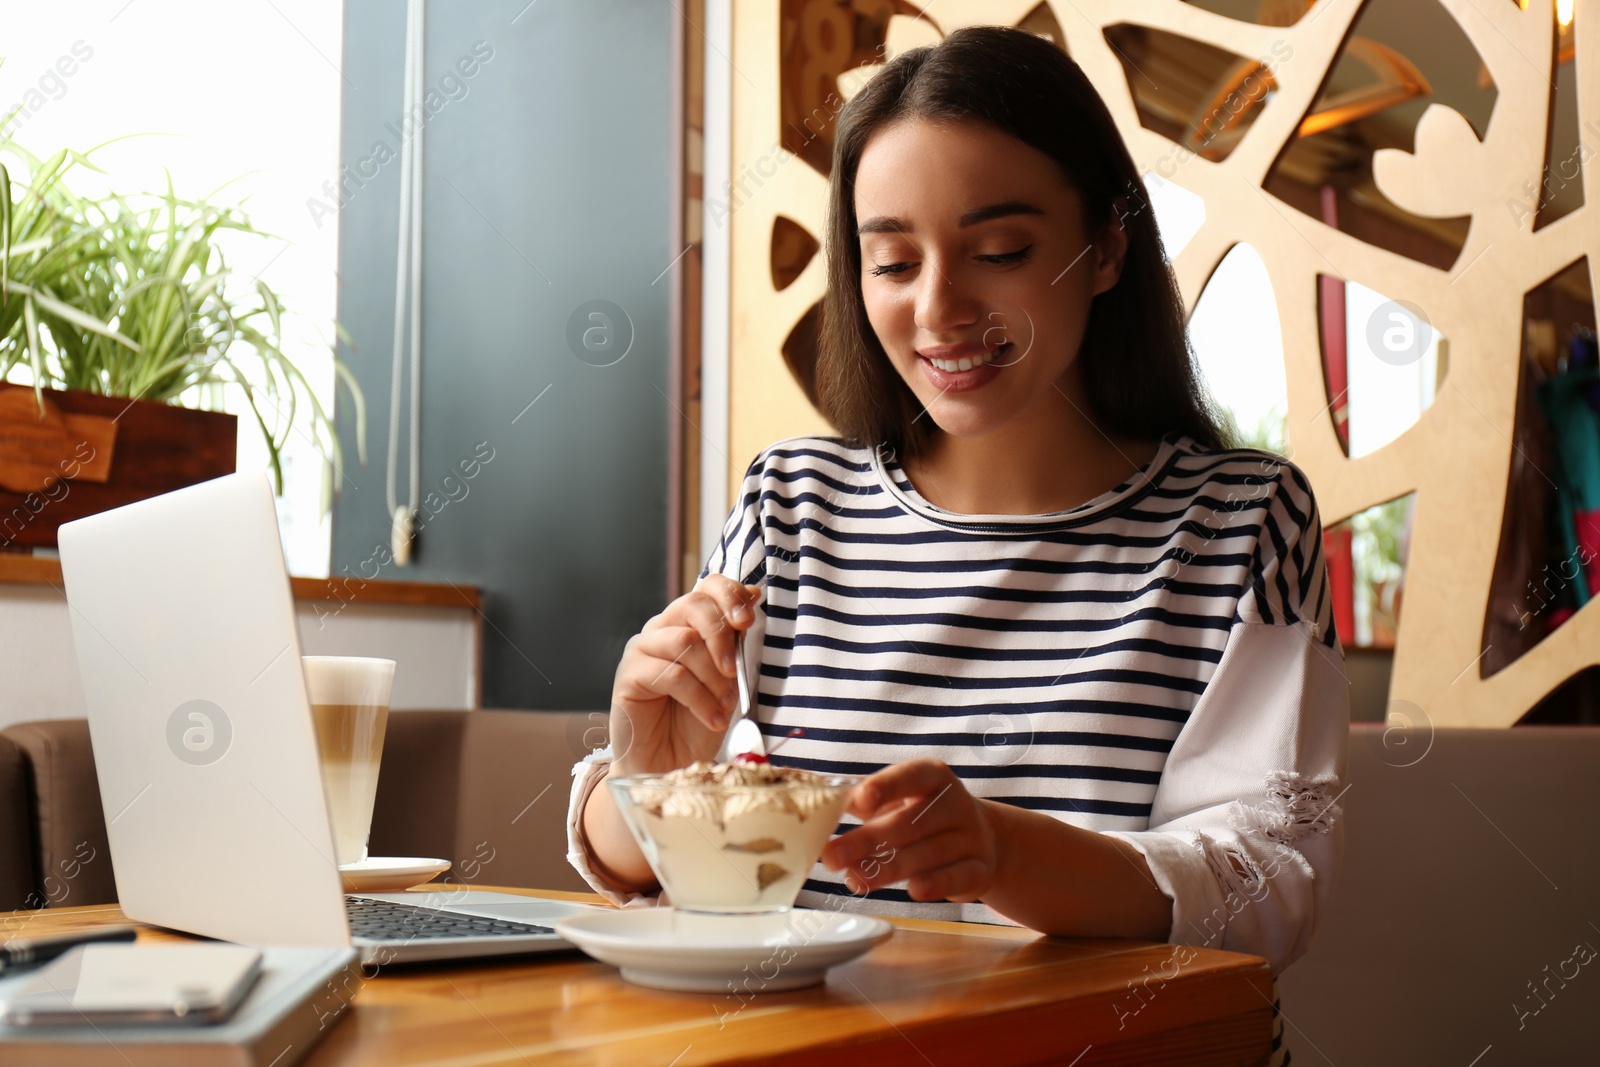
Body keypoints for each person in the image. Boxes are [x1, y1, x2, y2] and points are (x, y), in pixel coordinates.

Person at [568, 24, 1345, 1063]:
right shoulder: (791, 502)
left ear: (1108, 245)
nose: (938, 309)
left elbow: (1262, 883)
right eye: (892, 259)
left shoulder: (1240, 522)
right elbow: (692, 870)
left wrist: (1004, 851)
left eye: (1001, 252)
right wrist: (646, 781)